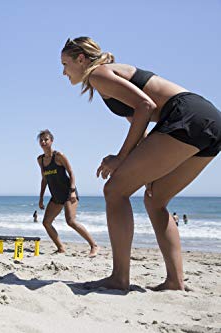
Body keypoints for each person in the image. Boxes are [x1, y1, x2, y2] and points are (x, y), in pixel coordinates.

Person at [61, 37, 221, 290]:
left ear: (81, 59)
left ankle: (119, 278)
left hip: (185, 115)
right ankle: (175, 282)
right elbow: (142, 131)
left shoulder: (99, 75)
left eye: (65, 64)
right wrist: (146, 173)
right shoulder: (109, 80)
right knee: (155, 198)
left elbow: (146, 106)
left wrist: (120, 157)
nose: (64, 71)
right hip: (209, 121)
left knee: (114, 190)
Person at [37, 129, 99, 257]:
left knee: (71, 221)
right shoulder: (40, 160)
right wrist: (41, 198)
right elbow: (44, 179)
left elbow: (71, 173)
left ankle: (94, 245)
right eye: (41, 140)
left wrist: (72, 191)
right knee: (46, 222)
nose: (43, 142)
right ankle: (61, 248)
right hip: (56, 196)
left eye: (46, 139)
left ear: (51, 141)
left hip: (68, 193)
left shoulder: (59, 156)